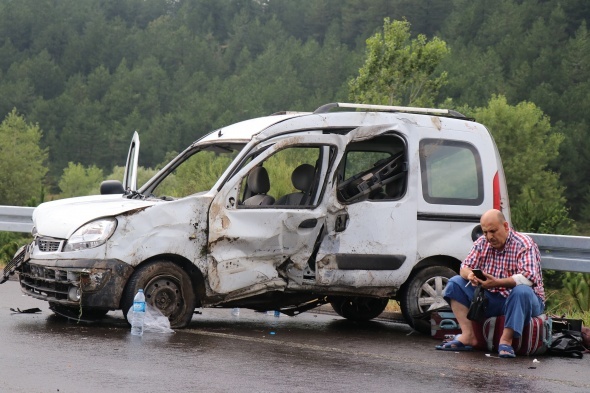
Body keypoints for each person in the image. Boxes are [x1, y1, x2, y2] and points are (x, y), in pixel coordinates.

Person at [435, 209, 545, 358]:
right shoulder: (482, 242)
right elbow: (464, 268)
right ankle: (468, 335)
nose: (489, 237)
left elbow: (528, 278)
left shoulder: (524, 244)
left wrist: (497, 283)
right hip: (492, 296)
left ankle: (506, 341)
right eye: (485, 232)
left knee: (522, 291)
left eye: (493, 231)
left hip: (525, 300)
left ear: (506, 226)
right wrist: (472, 275)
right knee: (455, 283)